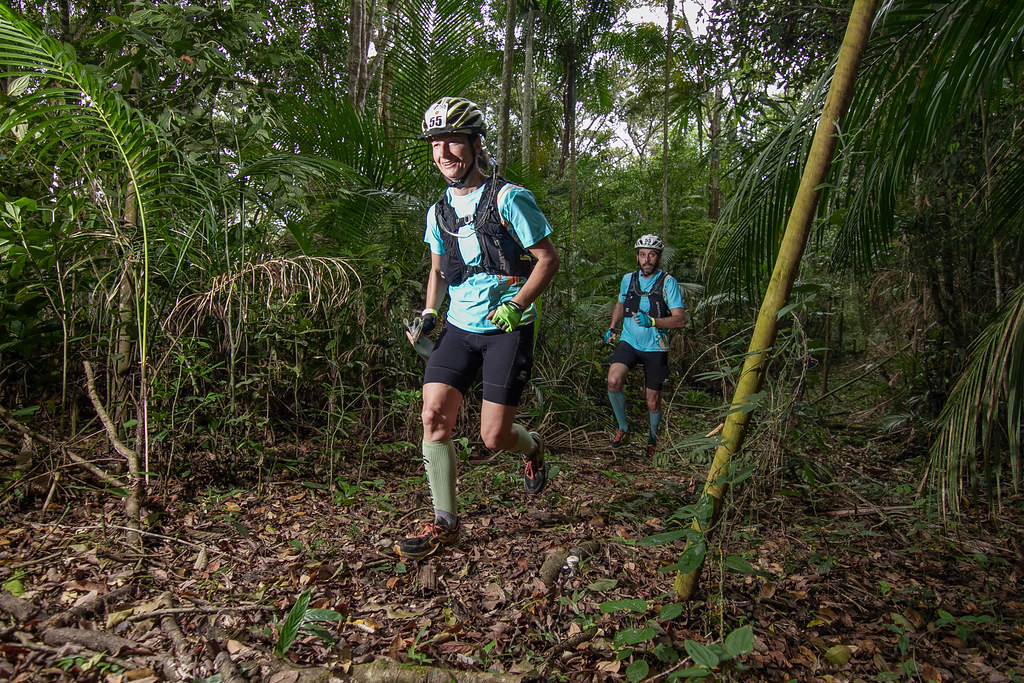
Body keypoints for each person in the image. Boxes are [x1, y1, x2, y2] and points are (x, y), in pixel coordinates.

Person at [396, 97, 560, 560]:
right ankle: (445, 523)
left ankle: (532, 449)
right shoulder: (438, 213)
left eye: (453, 141)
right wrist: (430, 313)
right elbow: (437, 272)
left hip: (507, 329)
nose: (444, 151)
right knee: (433, 417)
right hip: (459, 327)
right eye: (436, 143)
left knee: (493, 437)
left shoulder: (510, 198)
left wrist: (519, 303)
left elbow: (548, 260)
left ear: (475, 144)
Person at [604, 234, 686, 459]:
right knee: (613, 380)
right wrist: (612, 327)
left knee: (652, 400)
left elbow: (680, 319)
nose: (646, 259)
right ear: (638, 257)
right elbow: (621, 303)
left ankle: (652, 438)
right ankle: (623, 429)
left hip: (655, 347)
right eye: (642, 255)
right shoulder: (628, 279)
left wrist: (653, 321)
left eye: (651, 255)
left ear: (658, 257)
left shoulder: (668, 282)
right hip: (629, 341)